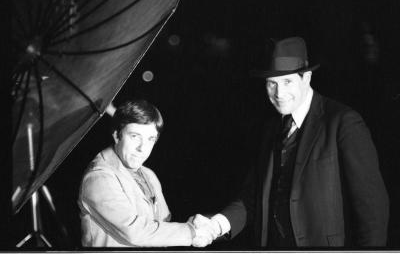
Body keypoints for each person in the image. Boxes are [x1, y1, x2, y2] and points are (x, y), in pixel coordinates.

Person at [192, 37, 389, 248]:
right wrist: (216, 226)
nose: (279, 93)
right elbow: (252, 198)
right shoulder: (270, 129)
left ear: (307, 79)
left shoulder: (343, 122)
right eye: (272, 84)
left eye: (287, 82)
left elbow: (372, 209)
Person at [78, 99, 215, 247]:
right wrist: (191, 232)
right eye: (135, 136)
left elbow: (162, 225)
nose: (142, 148)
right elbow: (134, 232)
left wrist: (193, 224)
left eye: (150, 139)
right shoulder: (99, 177)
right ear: (117, 135)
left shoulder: (148, 175)